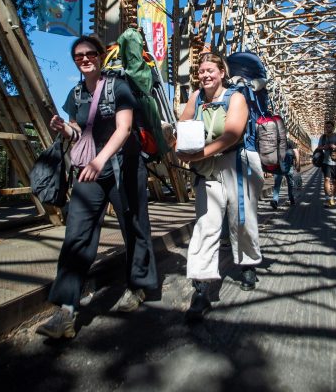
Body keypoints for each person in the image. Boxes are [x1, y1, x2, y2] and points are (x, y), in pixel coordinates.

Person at [36, 34, 158, 339]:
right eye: (79, 56)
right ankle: (65, 309)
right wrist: (65, 128)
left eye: (90, 53)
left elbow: (124, 128)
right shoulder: (76, 93)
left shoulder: (119, 86)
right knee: (76, 234)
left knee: (134, 227)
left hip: (124, 167)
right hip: (92, 171)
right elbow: (80, 131)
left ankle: (138, 286)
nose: (85, 58)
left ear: (101, 56)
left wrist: (98, 161)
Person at [177, 52, 264, 321]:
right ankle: (202, 287)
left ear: (221, 73)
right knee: (206, 223)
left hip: (237, 163)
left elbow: (232, 134)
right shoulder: (196, 98)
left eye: (210, 70)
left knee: (242, 219)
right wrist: (178, 145)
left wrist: (197, 154)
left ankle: (248, 262)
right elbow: (184, 125)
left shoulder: (236, 97)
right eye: (201, 71)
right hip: (207, 169)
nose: (205, 75)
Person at [315, 120, 336, 207]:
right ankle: (328, 198)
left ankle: (332, 197)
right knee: (327, 179)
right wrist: (325, 147)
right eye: (326, 127)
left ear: (333, 127)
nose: (328, 128)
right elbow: (319, 147)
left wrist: (335, 147)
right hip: (326, 161)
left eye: (329, 127)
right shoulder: (323, 137)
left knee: (335, 181)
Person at [270, 138, 300, 210]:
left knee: (277, 184)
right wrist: (298, 164)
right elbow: (296, 152)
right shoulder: (289, 141)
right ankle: (291, 198)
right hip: (289, 166)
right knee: (290, 184)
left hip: (279, 166)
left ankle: (275, 200)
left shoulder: (275, 141)